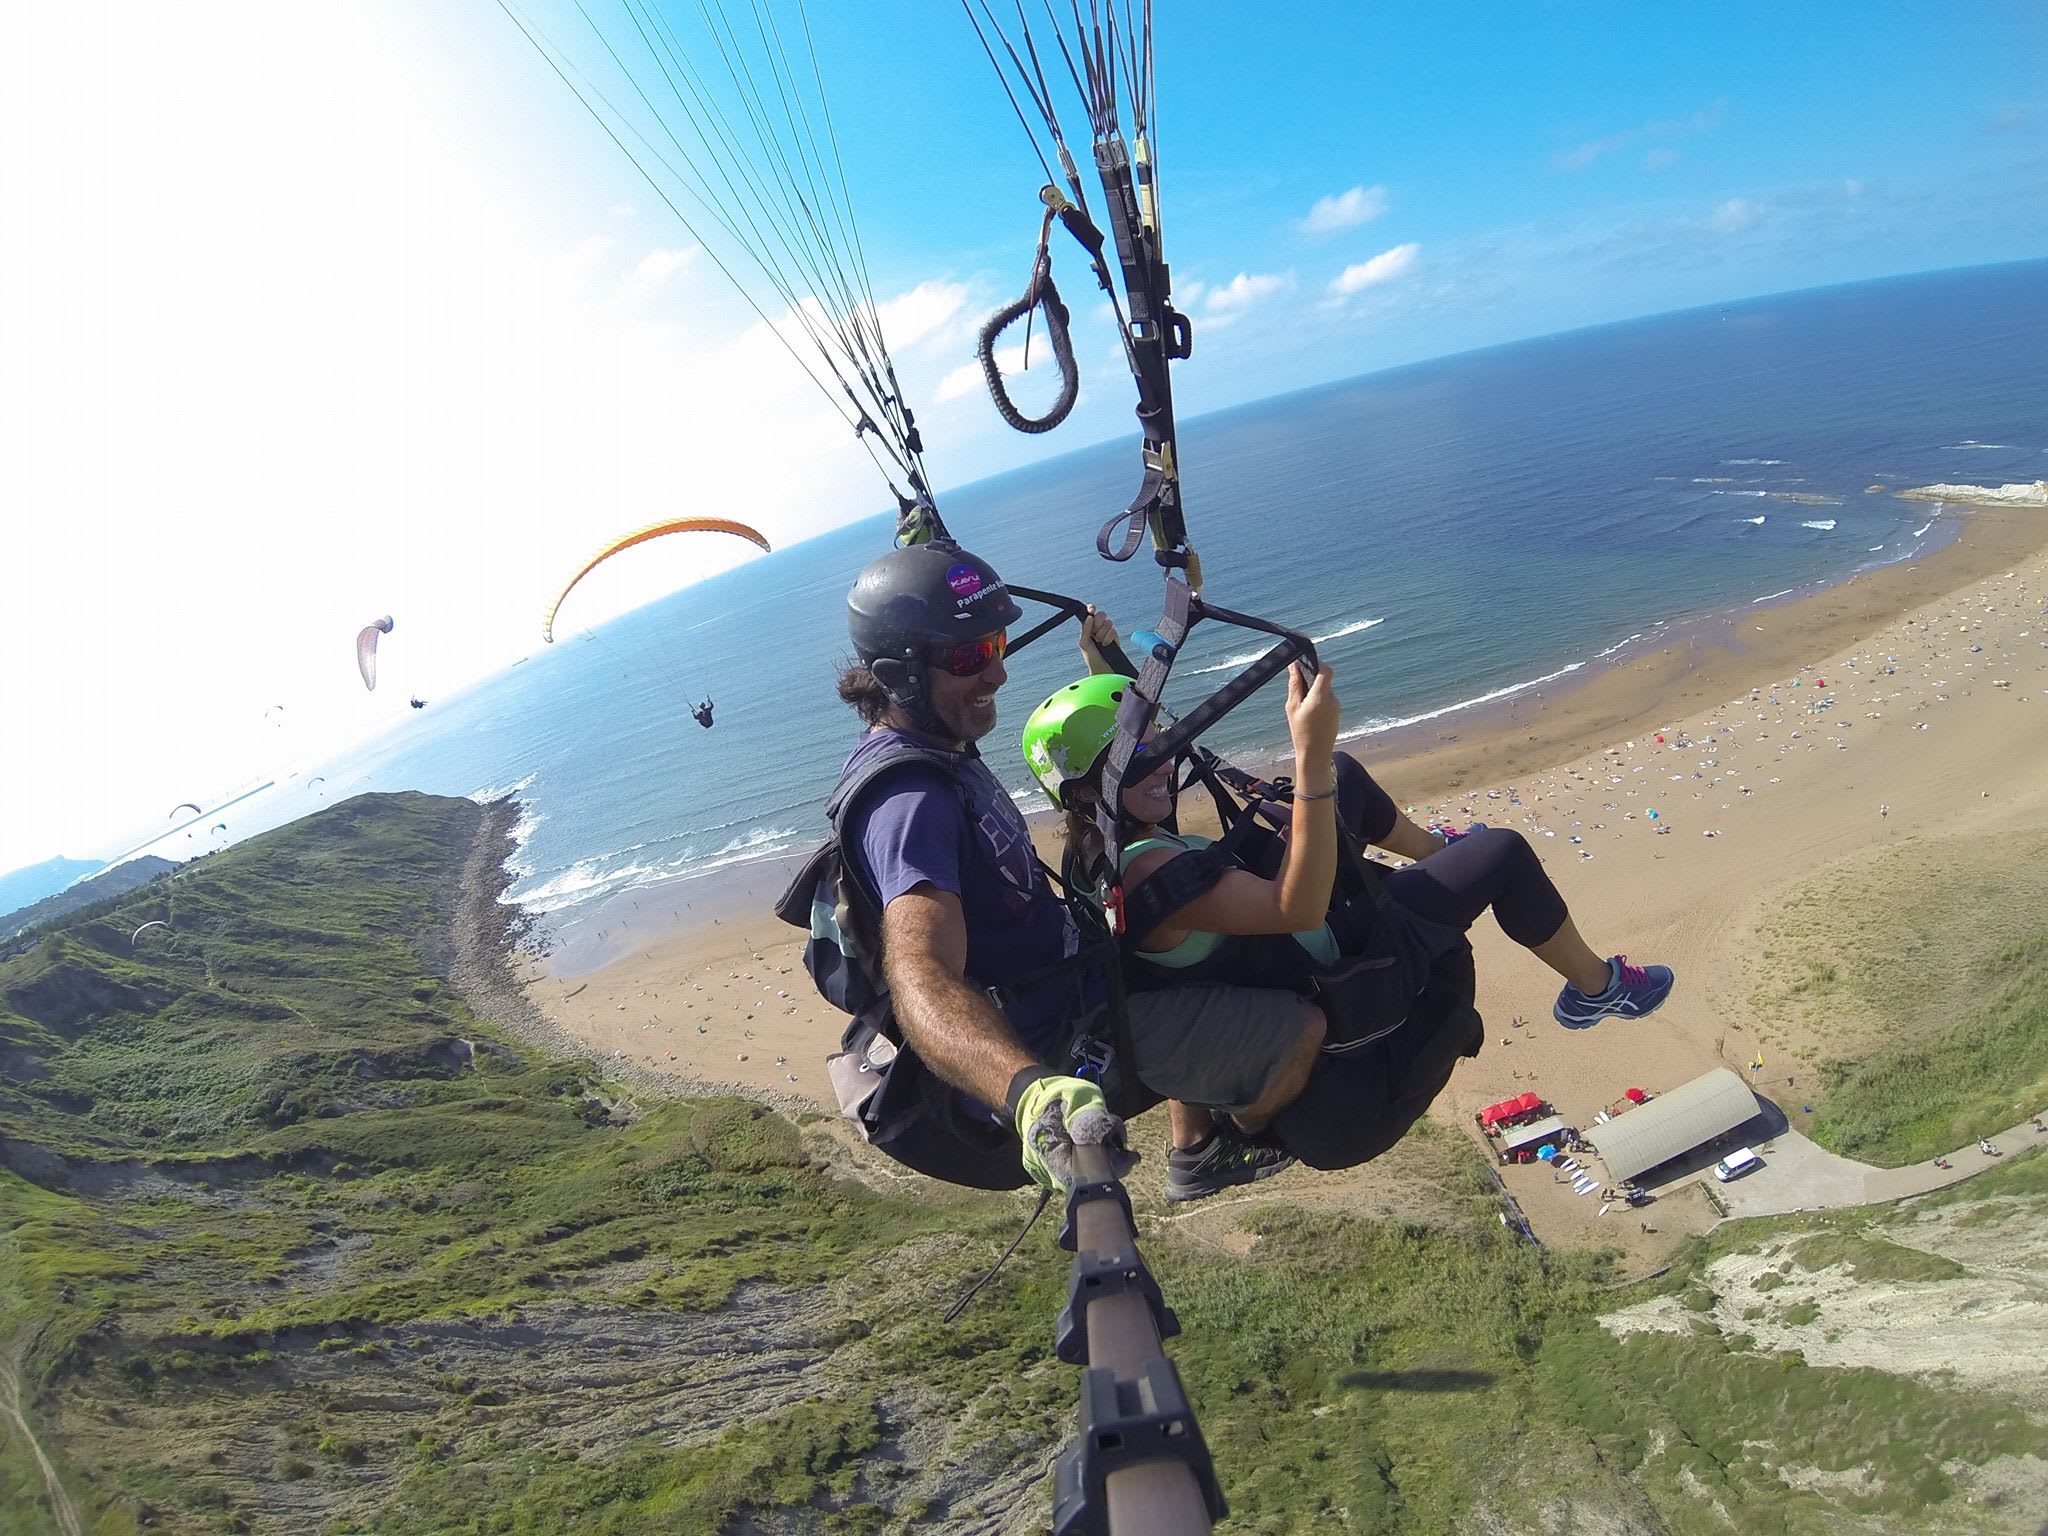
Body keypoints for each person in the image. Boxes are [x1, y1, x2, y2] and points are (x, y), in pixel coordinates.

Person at [830, 542, 1307, 1200]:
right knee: (1298, 1028)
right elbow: (921, 977)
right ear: (899, 674)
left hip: (1082, 976)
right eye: (970, 657)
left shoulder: (936, 738)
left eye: (995, 644)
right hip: (1060, 1039)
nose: (995, 673)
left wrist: (1101, 663)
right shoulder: (910, 802)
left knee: (1204, 941)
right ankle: (1226, 1140)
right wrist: (1031, 1096)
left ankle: (1193, 1148)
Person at [1023, 663, 1675, 1066]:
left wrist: (1099, 664)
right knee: (1503, 852)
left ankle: (1436, 853)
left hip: (1260, 924)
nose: (1163, 762)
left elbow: (1121, 770)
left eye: (1160, 745)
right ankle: (1598, 990)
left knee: (1347, 778)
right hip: (1332, 956)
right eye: (1137, 760)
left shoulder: (1096, 847)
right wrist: (1308, 756)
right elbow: (1294, 909)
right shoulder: (1148, 875)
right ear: (1085, 791)